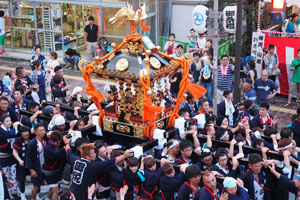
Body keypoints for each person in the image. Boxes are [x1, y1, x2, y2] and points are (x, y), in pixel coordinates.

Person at [65, 139, 133, 200]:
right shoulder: (91, 166)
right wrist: (124, 156)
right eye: (93, 153)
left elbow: (68, 152)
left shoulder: (75, 160)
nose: (95, 154)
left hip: (72, 191)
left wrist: (67, 143)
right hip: (83, 195)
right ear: (87, 156)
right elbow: (108, 162)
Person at [43, 131, 66, 200]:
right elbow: (56, 154)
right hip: (49, 172)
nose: (59, 144)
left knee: (53, 187)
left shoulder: (55, 144)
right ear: (52, 141)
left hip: (56, 170)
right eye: (57, 143)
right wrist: (65, 147)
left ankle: (47, 198)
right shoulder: (48, 147)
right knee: (56, 190)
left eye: (60, 142)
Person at [26, 123, 46, 200]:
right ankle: (33, 198)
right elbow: (29, 157)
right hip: (36, 167)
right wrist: (31, 170)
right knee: (36, 186)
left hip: (44, 166)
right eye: (40, 130)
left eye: (44, 130)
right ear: (35, 132)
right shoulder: (32, 143)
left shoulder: (45, 140)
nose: (43, 132)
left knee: (40, 184)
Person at [0, 115, 18, 198]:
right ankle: (6, 193)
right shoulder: (1, 130)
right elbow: (8, 135)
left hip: (11, 156)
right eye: (7, 121)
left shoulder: (10, 129)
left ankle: (14, 191)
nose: (9, 122)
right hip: (2, 157)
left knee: (14, 174)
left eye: (10, 120)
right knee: (5, 176)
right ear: (2, 122)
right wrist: (15, 128)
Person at [12, 125, 31, 200]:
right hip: (21, 161)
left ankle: (36, 193)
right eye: (24, 136)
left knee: (36, 177)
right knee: (21, 179)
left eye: (27, 135)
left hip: (31, 161)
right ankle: (22, 194)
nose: (26, 137)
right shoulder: (18, 140)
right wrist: (19, 160)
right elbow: (14, 151)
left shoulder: (32, 138)